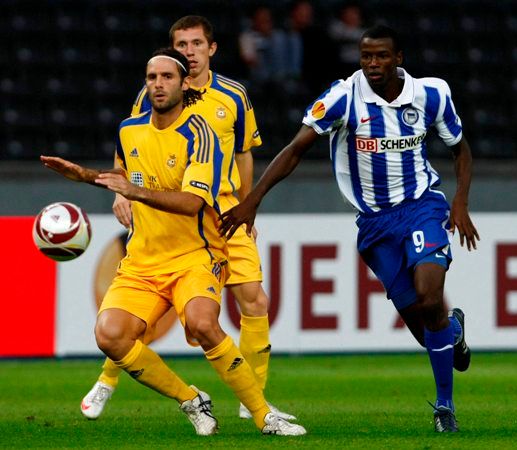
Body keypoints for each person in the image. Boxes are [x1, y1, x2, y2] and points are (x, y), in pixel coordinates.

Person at [220, 25, 479, 433]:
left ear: (398, 59)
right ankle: (454, 332)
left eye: (380, 56)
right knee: (422, 322)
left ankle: (444, 406)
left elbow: (459, 148)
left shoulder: (431, 94)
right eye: (366, 57)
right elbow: (295, 149)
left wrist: (460, 201)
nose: (372, 64)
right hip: (375, 225)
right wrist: (253, 200)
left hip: (422, 207)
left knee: (431, 299)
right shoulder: (343, 97)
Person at [41, 48, 305, 437]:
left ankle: (265, 415)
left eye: (166, 77)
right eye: (151, 78)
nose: (158, 84)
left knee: (202, 324)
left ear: (184, 83)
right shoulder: (129, 129)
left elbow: (192, 202)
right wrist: (84, 175)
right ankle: (190, 400)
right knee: (109, 335)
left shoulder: (202, 134)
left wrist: (135, 191)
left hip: (194, 256)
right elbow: (124, 175)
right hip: (143, 261)